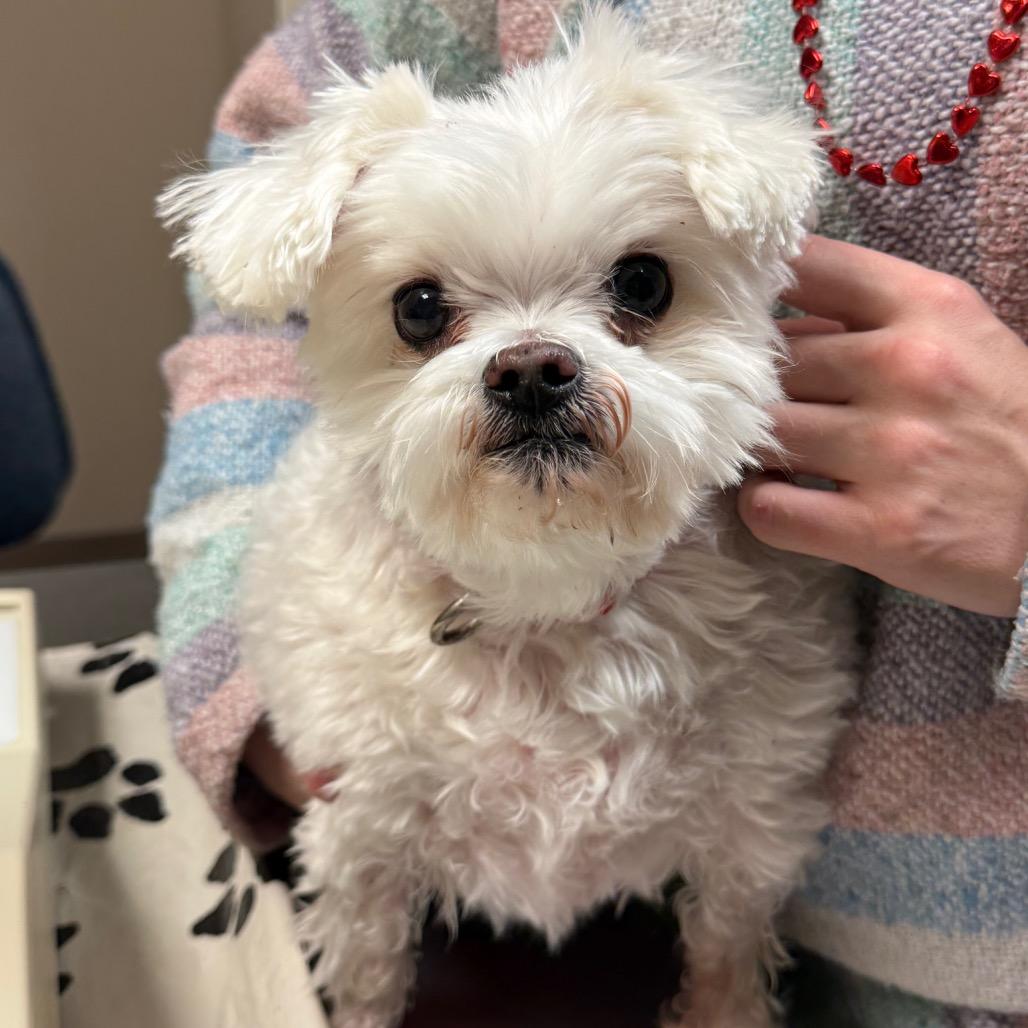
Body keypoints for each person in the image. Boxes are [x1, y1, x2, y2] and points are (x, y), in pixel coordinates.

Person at [149, 0, 1028, 1023]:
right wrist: (242, 698)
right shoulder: (326, 608)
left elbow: (750, 820)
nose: (528, 364)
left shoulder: (764, 619)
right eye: (425, 314)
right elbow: (239, 326)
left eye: (636, 289)